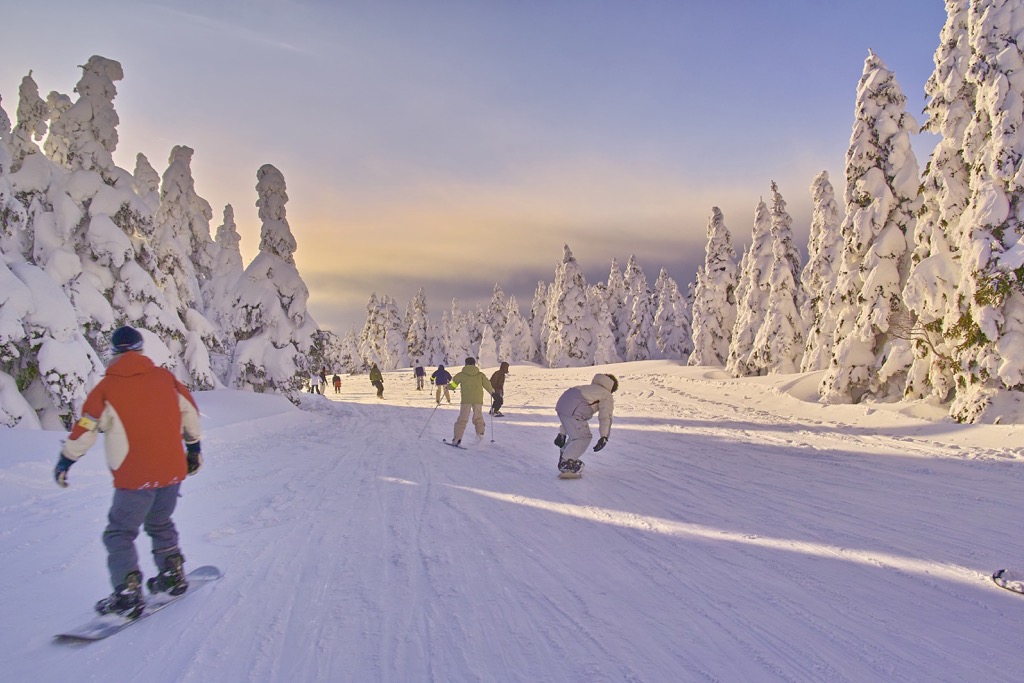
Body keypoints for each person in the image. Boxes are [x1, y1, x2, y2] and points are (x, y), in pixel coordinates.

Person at [53, 326, 203, 618]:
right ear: (139, 349)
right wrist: (194, 449)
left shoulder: (106, 389)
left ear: (113, 352)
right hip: (172, 472)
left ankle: (128, 592)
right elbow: (190, 412)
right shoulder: (165, 378)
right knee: (160, 522)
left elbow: (86, 428)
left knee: (120, 533)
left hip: (135, 477)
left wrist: (66, 460)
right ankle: (172, 575)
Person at [553, 373, 618, 476]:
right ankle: (566, 463)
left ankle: (565, 454)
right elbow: (605, 416)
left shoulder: (589, 388)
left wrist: (562, 433)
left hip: (563, 404)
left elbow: (569, 410)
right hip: (574, 411)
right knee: (583, 438)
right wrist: (604, 436)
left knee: (575, 435)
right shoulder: (606, 394)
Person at [449, 357, 494, 446]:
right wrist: (492, 391)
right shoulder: (480, 375)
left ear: (466, 364)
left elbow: (453, 385)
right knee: (478, 417)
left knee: (463, 419)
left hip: (466, 399)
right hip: (478, 399)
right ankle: (480, 435)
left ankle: (457, 439)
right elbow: (487, 385)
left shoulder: (461, 375)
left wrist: (448, 387)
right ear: (474, 364)